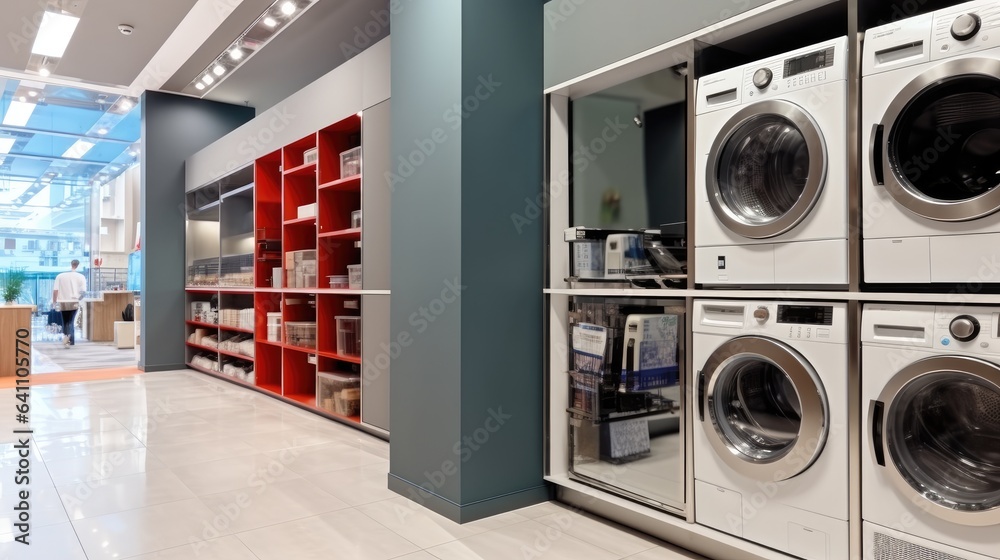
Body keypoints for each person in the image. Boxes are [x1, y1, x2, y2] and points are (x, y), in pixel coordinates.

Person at [53, 259, 87, 347]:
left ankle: (67, 338)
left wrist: (54, 303)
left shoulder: (60, 276)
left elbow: (55, 291)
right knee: (71, 321)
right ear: (78, 265)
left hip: (62, 302)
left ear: (70, 264)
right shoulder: (81, 276)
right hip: (74, 301)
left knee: (65, 320)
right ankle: (70, 340)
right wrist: (78, 299)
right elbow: (83, 292)